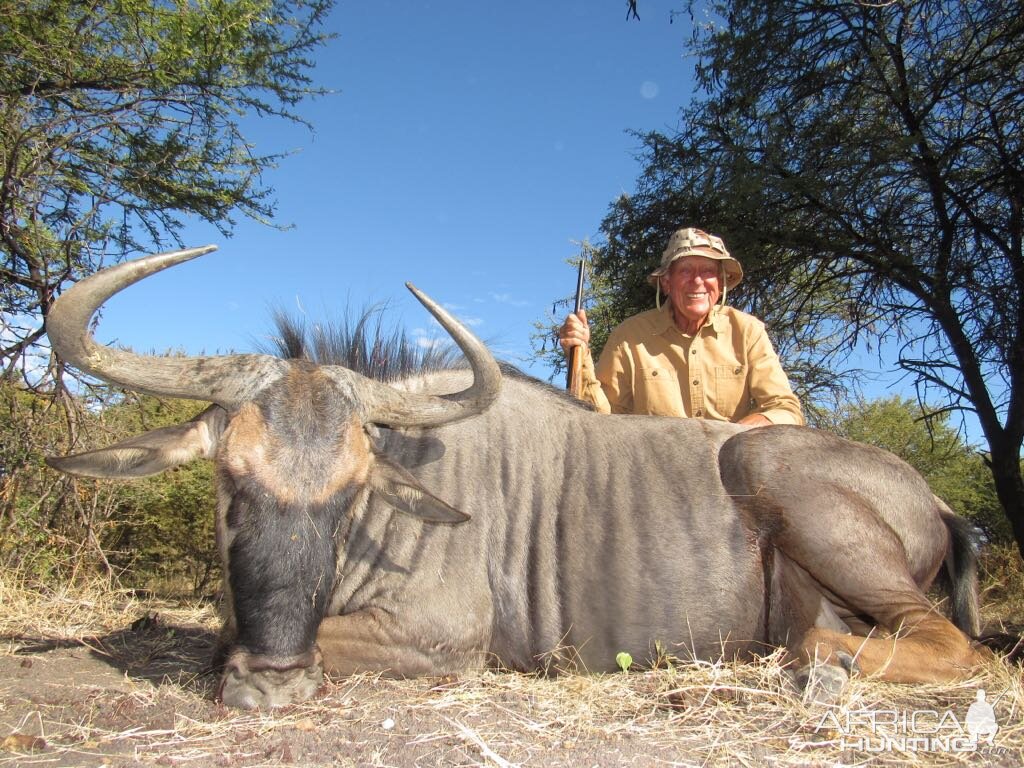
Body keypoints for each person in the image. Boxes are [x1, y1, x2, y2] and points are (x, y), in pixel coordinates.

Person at [559, 227, 803, 426]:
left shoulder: (748, 331)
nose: (697, 281)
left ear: (720, 283)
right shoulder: (629, 336)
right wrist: (578, 355)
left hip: (729, 475)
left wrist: (734, 439)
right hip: (654, 475)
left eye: (708, 271)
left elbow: (785, 409)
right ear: (666, 282)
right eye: (685, 270)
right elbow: (603, 420)